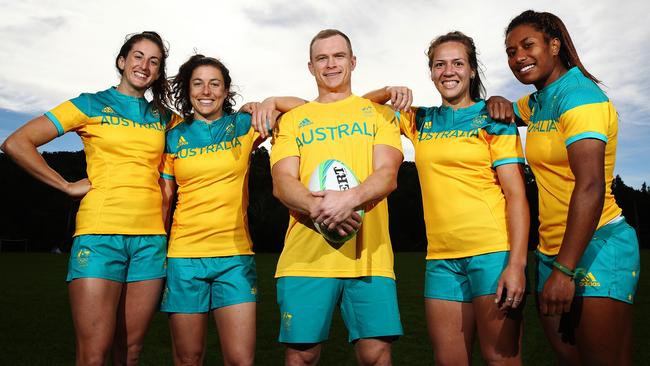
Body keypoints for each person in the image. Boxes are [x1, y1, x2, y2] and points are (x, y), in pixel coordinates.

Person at [1, 31, 172, 365]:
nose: (144, 65)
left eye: (154, 61)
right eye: (138, 56)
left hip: (151, 241)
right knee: (93, 354)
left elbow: (204, 132)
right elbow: (17, 143)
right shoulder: (90, 103)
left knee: (131, 351)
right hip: (99, 236)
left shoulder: (164, 118)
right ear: (122, 62)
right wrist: (64, 185)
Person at [364, 31, 529, 365]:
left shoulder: (493, 118)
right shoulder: (421, 119)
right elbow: (358, 110)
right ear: (431, 72)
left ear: (471, 71)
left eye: (457, 63)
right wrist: (387, 91)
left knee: (500, 359)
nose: (448, 71)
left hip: (492, 254)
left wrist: (516, 265)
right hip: (440, 260)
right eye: (440, 64)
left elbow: (516, 196)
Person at [487, 10, 640, 365]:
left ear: (554, 45)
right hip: (551, 250)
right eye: (511, 52)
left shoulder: (579, 97)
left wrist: (565, 270)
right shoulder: (540, 101)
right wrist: (497, 102)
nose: (518, 57)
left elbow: (590, 186)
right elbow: (510, 110)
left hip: (595, 244)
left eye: (528, 45)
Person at [270, 29, 404, 365]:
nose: (331, 64)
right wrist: (318, 208)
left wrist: (349, 200)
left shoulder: (380, 114)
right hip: (306, 257)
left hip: (370, 256)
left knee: (376, 354)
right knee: (302, 356)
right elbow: (282, 181)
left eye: (339, 56)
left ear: (353, 61)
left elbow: (387, 175)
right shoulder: (292, 120)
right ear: (311, 67)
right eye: (322, 58)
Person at [158, 54, 301, 366]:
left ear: (225, 91)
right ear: (187, 89)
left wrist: (268, 102)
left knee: (239, 360)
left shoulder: (242, 125)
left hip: (234, 258)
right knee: (187, 358)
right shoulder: (173, 137)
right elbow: (165, 199)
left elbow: (308, 111)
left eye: (214, 84)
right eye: (198, 83)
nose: (206, 90)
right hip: (184, 258)